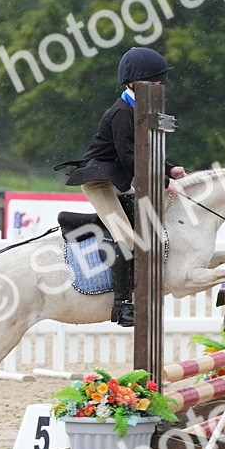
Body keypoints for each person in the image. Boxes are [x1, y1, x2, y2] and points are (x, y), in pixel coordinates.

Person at [54, 47, 186, 327]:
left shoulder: (139, 110)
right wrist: (164, 182)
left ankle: (89, 224)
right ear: (133, 83)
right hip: (100, 181)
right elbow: (130, 159)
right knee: (128, 240)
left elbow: (144, 153)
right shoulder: (122, 114)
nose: (161, 87)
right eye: (155, 82)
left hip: (117, 176)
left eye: (161, 82)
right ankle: (122, 306)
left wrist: (167, 169)